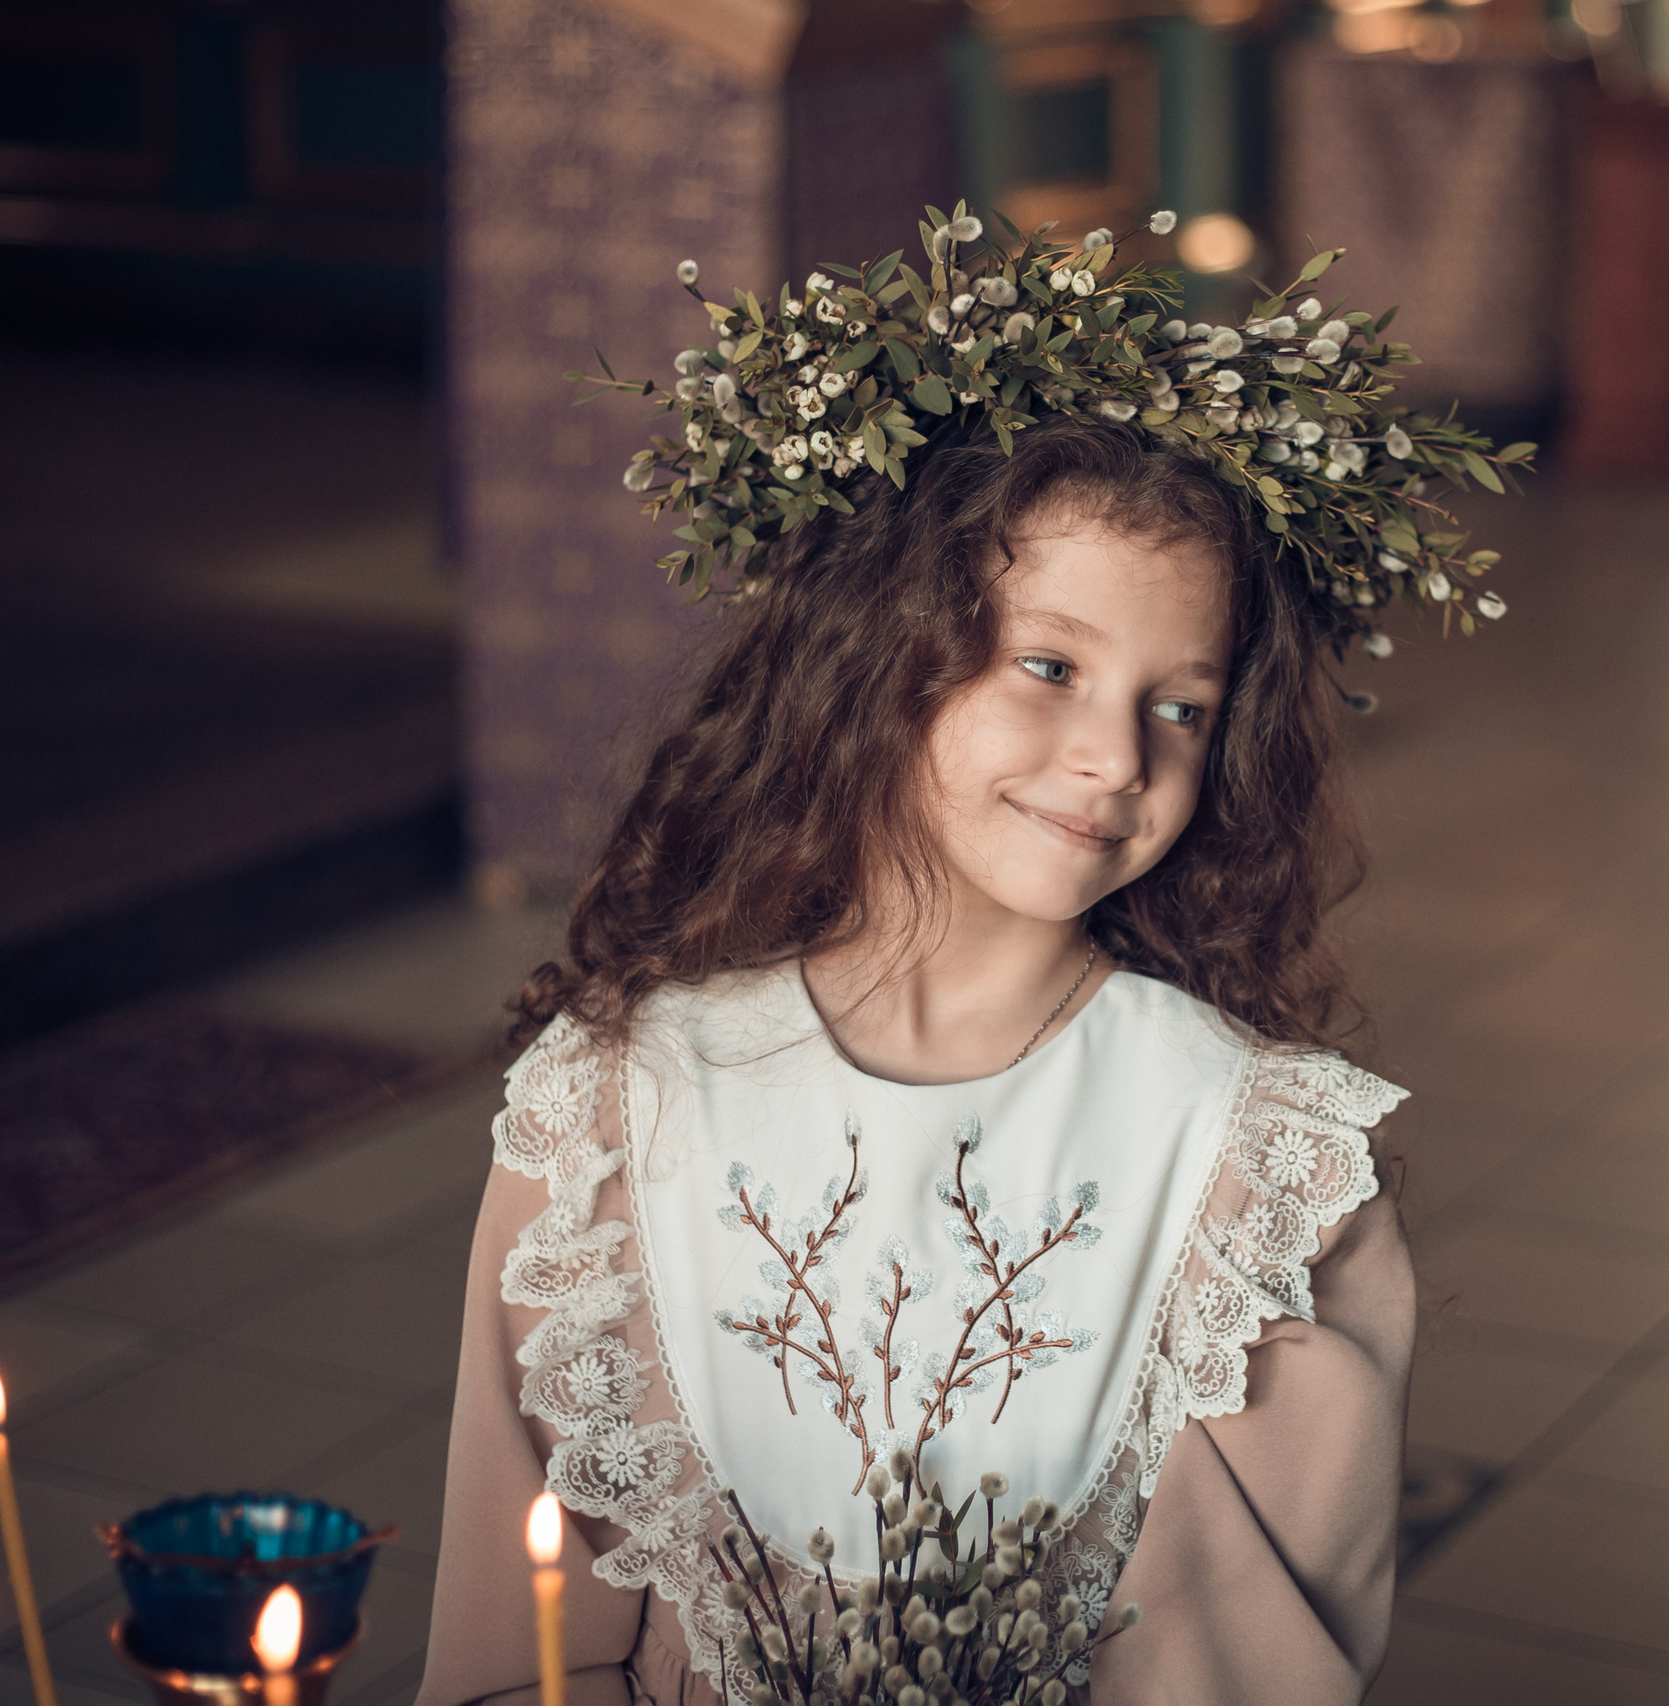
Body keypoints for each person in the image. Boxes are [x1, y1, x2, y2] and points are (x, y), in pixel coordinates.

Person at [418, 213, 1526, 1706]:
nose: (1113, 755)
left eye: (1180, 705)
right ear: (881, 655)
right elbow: (514, 1649)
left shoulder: (1259, 1171)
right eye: (1050, 666)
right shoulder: (618, 1112)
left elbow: (1269, 1661)